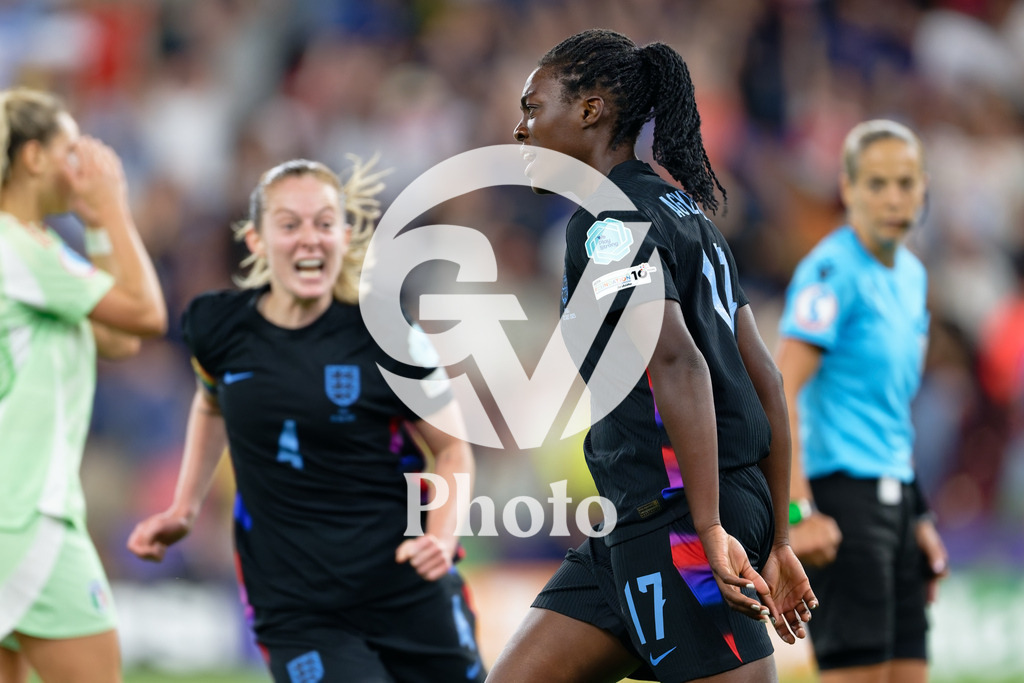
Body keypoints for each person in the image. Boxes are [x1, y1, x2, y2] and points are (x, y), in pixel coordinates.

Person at [489, 29, 816, 683]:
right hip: (639, 522)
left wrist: (709, 524)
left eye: (533, 108)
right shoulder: (687, 214)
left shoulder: (606, 221)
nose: (520, 130)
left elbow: (678, 362)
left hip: (677, 512)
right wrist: (777, 535)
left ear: (590, 110)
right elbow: (766, 379)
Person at [126, 158, 486, 683]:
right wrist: (185, 507)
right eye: (289, 224)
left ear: (343, 234)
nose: (308, 239)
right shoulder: (216, 326)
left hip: (406, 590)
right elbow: (211, 401)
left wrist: (440, 534)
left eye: (323, 223)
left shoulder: (387, 333)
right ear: (256, 239)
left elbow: (452, 448)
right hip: (296, 609)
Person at [0, 87, 167, 683]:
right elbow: (147, 314)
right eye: (71, 148)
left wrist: (94, 227)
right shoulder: (19, 248)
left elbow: (117, 339)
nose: (84, 165)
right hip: (28, 514)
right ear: (33, 158)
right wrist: (115, 208)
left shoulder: (32, 252)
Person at [775, 119, 949, 683]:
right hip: (841, 505)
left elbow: (891, 412)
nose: (893, 198)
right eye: (876, 184)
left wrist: (915, 512)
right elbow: (782, 388)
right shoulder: (831, 273)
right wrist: (797, 513)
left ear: (924, 188)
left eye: (905, 182)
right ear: (848, 190)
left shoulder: (913, 277)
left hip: (894, 503)